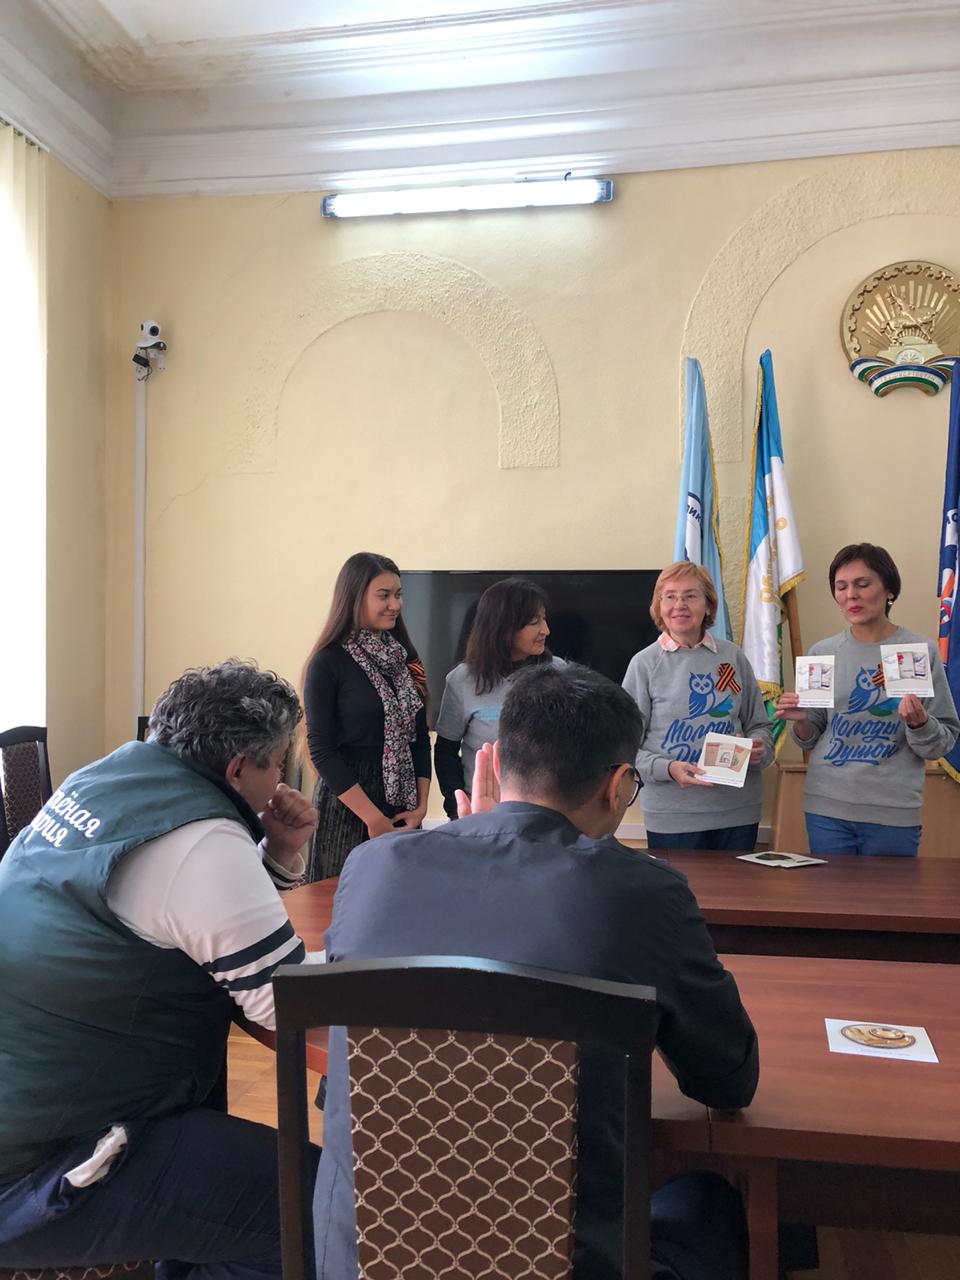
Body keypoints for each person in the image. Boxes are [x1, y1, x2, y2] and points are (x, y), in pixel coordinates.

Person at [314, 663, 758, 1280]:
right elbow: (727, 1081)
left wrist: (485, 844)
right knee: (709, 1197)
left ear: (497, 762)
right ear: (618, 785)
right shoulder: (643, 894)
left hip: (364, 1259)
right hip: (560, 1262)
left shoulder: (372, 868)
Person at [0, 659, 323, 1279]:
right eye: (279, 762)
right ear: (238, 768)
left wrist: (276, 853)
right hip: (40, 1168)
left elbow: (185, 915)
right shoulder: (201, 838)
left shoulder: (100, 779)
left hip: (37, 1103)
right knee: (323, 1210)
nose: (281, 778)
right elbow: (287, 1003)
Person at [776, 542, 960, 856]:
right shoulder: (822, 652)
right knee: (829, 889)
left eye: (862, 584)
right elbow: (810, 739)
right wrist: (803, 721)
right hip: (826, 808)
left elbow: (941, 743)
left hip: (892, 811)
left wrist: (920, 724)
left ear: (889, 590)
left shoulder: (918, 652)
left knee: (888, 890)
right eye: (841, 587)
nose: (851, 595)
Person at [622, 562, 772, 851]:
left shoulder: (732, 657)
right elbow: (624, 746)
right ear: (659, 606)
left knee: (737, 884)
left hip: (737, 813)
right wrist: (668, 768)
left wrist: (759, 750)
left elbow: (760, 726)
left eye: (690, 596)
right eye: (670, 596)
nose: (680, 605)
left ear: (709, 604)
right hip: (672, 816)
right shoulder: (644, 664)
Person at [303, 552, 431, 880]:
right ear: (354, 597)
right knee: (338, 899)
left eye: (398, 595)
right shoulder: (328, 662)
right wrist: (372, 818)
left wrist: (420, 808)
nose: (395, 605)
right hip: (348, 803)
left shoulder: (406, 661)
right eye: (383, 595)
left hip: (401, 805)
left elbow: (419, 739)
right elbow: (321, 749)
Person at [434, 576, 561, 818]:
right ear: (504, 626)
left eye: (544, 618)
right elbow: (445, 752)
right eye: (534, 622)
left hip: (545, 815)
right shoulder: (462, 680)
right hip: (482, 814)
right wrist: (457, 809)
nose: (545, 630)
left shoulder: (560, 674)